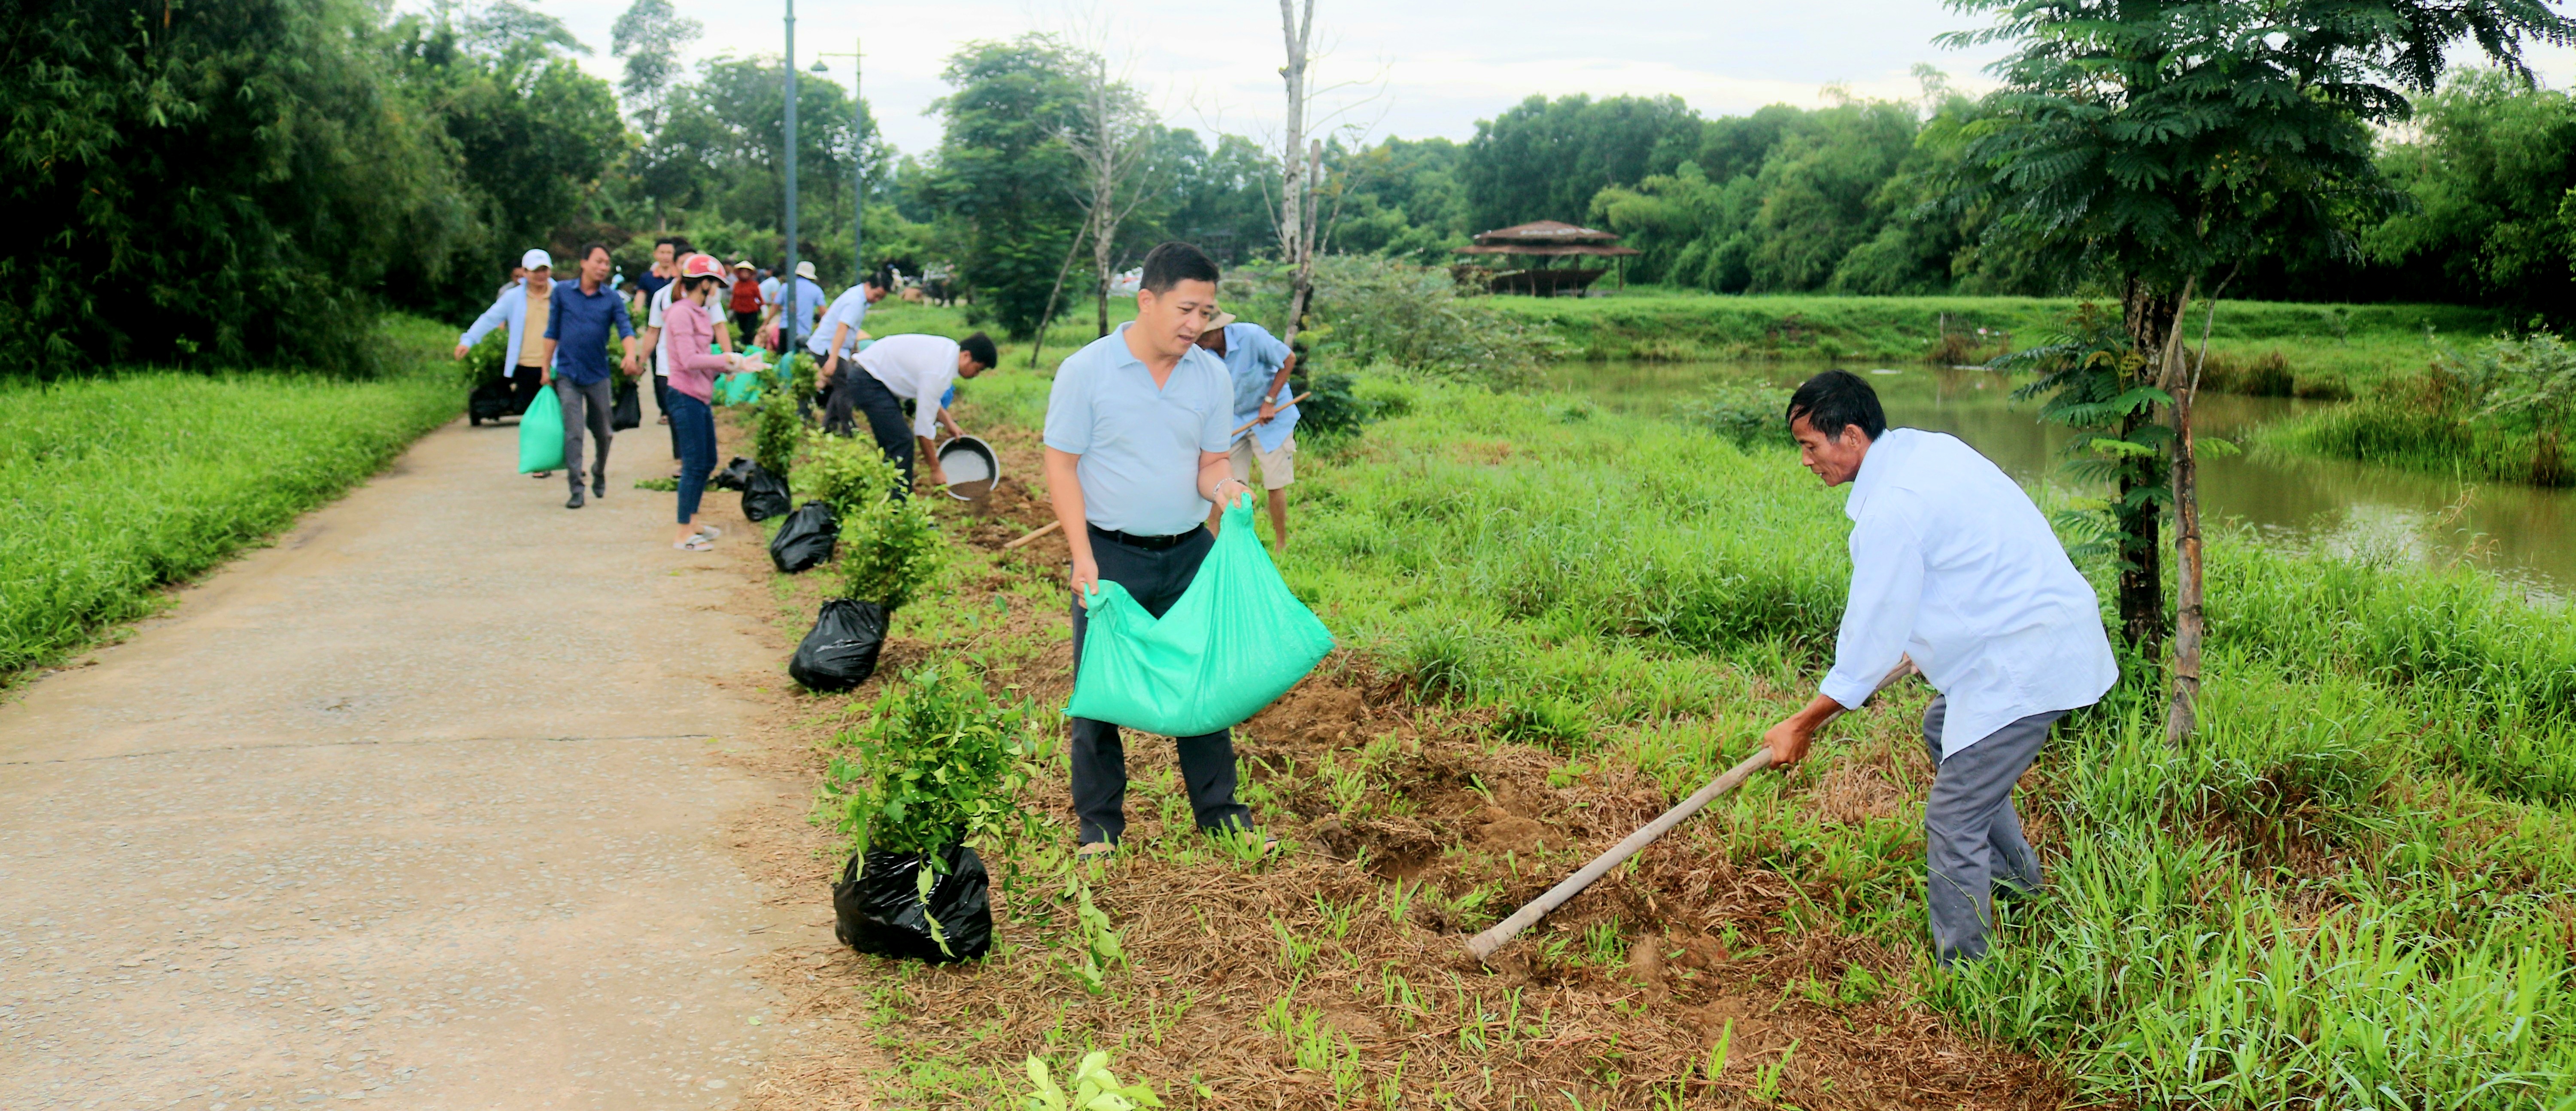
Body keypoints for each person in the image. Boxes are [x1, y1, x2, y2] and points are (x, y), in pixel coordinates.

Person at [1758, 370, 2117, 965]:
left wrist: (1803, 723)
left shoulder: (1892, 508)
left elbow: (1866, 645)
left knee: (1953, 818)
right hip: (2025, 633)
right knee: (1940, 729)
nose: (1805, 460)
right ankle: (2016, 879)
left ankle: (1968, 970)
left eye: (1810, 445)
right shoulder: (1927, 448)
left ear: (1849, 435)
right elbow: (1959, 563)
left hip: (2025, 657)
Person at [1042, 241, 1261, 858]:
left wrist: (1227, 491)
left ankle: (1221, 816)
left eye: (1208, 313)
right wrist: (1081, 555)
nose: (1197, 325)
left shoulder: (1211, 376)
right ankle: (1100, 828)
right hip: (1110, 557)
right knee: (1099, 693)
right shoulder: (1087, 371)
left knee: (1203, 682)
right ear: (1147, 299)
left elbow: (1210, 464)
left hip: (1189, 550)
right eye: (1187, 309)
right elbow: (1061, 467)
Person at [537, 243, 641, 509]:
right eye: (599, 261)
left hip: (598, 375)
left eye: (607, 263)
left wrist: (631, 356)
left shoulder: (612, 298)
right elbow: (552, 331)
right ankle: (576, 488)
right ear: (584, 263)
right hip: (568, 374)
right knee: (574, 433)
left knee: (604, 432)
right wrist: (545, 368)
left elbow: (626, 329)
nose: (603, 267)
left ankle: (599, 470)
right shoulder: (562, 292)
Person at [833, 332, 997, 491]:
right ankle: (899, 505)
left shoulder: (947, 353)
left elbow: (930, 400)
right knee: (902, 441)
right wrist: (936, 469)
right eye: (978, 369)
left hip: (875, 379)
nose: (977, 375)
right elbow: (923, 429)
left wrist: (949, 423)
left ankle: (892, 493)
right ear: (967, 356)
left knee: (893, 443)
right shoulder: (939, 370)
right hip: (869, 380)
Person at [1197, 311, 1299, 550]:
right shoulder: (1200, 354)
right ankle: (1215, 541)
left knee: (1275, 481)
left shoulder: (1251, 337)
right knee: (1222, 481)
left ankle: (1281, 544)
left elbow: (1289, 359)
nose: (1199, 340)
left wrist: (1270, 401)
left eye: (1204, 335)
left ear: (1217, 329)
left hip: (1272, 416)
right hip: (1234, 421)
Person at [659, 254, 741, 551]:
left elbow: (703, 359)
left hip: (700, 395)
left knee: (708, 461)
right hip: (685, 395)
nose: (718, 291)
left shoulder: (699, 312)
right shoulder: (682, 313)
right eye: (716, 284)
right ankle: (683, 533)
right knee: (694, 463)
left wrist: (734, 366)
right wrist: (726, 358)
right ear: (704, 284)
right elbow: (689, 359)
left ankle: (693, 522)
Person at [456, 248, 559, 478]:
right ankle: (542, 461)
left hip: (558, 364)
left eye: (544, 270)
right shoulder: (513, 298)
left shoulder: (561, 294)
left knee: (563, 414)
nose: (540, 276)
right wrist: (469, 340)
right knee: (534, 416)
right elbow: (490, 318)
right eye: (535, 271)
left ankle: (569, 459)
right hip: (527, 365)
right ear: (525, 273)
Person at [809, 272, 888, 374]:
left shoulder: (857, 295)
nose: (877, 300)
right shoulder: (856, 301)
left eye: (881, 298)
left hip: (829, 347)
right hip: (828, 349)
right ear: (868, 285)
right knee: (843, 386)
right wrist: (833, 360)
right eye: (876, 295)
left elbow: (851, 329)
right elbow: (842, 328)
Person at [776, 261, 827, 356]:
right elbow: (823, 312)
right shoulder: (816, 290)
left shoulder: (786, 287)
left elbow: (776, 306)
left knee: (783, 357)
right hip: (803, 332)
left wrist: (766, 323)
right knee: (799, 360)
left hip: (785, 327)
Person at [728, 260, 766, 348]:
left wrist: (764, 309)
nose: (744, 274)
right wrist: (731, 310)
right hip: (740, 312)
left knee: (749, 333)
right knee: (742, 331)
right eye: (743, 272)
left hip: (751, 313)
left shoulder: (754, 285)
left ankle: (748, 348)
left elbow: (759, 298)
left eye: (746, 272)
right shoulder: (737, 285)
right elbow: (734, 298)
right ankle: (742, 348)